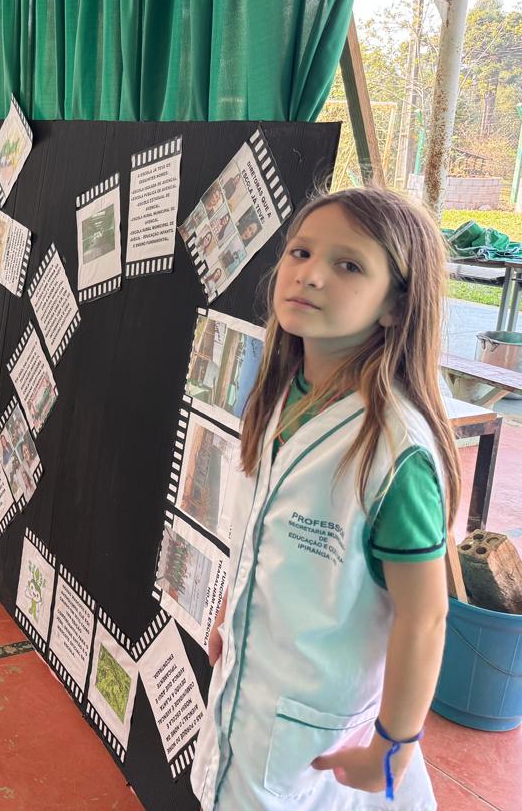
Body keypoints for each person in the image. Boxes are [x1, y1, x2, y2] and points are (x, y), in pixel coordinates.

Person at [191, 187, 461, 810]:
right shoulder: (281, 393)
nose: (309, 274)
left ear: (395, 305)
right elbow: (267, 532)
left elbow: (425, 615)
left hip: (318, 742)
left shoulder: (394, 450)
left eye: (348, 265)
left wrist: (394, 747)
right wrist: (236, 608)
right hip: (249, 697)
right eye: (300, 252)